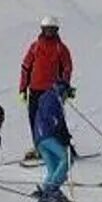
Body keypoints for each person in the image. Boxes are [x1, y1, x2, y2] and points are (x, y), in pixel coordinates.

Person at [17, 17, 73, 158]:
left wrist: (64, 86)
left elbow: (67, 68)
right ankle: (40, 148)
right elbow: (26, 67)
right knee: (34, 118)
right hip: (35, 89)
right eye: (46, 29)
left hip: (52, 90)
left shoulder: (61, 48)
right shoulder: (35, 47)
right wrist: (23, 88)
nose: (49, 32)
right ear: (42, 29)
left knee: (55, 118)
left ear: (56, 30)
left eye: (52, 29)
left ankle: (66, 146)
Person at [30, 82, 74, 202]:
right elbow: (53, 120)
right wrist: (62, 134)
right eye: (67, 94)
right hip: (47, 136)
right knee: (67, 159)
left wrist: (63, 134)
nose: (68, 98)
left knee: (53, 169)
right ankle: (51, 191)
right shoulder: (52, 98)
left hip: (40, 139)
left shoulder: (48, 98)